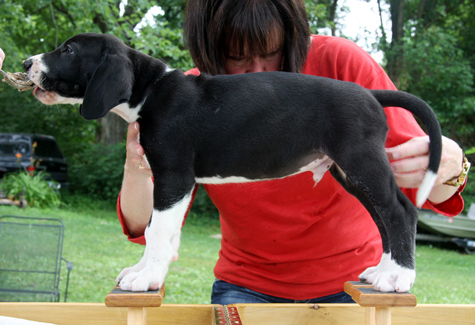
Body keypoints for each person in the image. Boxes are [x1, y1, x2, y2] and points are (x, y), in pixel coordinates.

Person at [117, 0, 467, 304]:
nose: (258, 71)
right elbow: (140, 224)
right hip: (246, 285)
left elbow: (426, 189)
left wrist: (453, 165)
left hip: (356, 280)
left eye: (271, 52)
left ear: (293, 34)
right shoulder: (188, 97)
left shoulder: (341, 69)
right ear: (207, 50)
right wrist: (137, 166)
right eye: (236, 58)